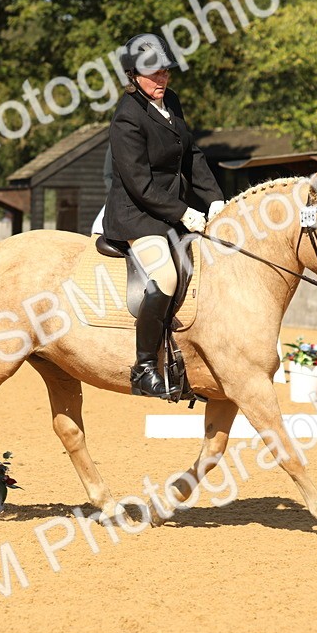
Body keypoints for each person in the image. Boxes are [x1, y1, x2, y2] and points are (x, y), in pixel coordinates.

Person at [103, 33, 226, 398]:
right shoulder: (126, 119)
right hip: (137, 215)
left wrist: (215, 199)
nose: (162, 79)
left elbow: (192, 155)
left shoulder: (170, 101)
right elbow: (139, 184)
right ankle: (143, 368)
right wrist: (184, 212)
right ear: (133, 75)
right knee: (166, 277)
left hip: (170, 212)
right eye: (153, 73)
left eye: (165, 71)